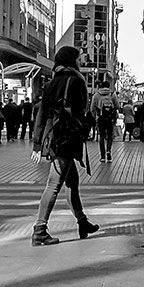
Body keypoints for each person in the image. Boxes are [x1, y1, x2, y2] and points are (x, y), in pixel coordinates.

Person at [30, 46, 98, 246]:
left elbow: (41, 115)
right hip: (67, 139)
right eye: (78, 58)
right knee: (54, 185)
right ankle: (39, 230)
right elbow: (80, 112)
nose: (81, 61)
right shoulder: (76, 81)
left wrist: (36, 144)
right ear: (72, 60)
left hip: (53, 138)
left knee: (72, 183)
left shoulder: (51, 83)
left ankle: (82, 221)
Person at [90, 82, 118, 162]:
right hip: (110, 119)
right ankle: (108, 151)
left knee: (101, 136)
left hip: (100, 119)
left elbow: (92, 108)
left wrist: (96, 116)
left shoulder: (96, 95)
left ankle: (102, 156)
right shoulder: (112, 94)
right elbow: (117, 106)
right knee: (110, 136)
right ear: (109, 86)